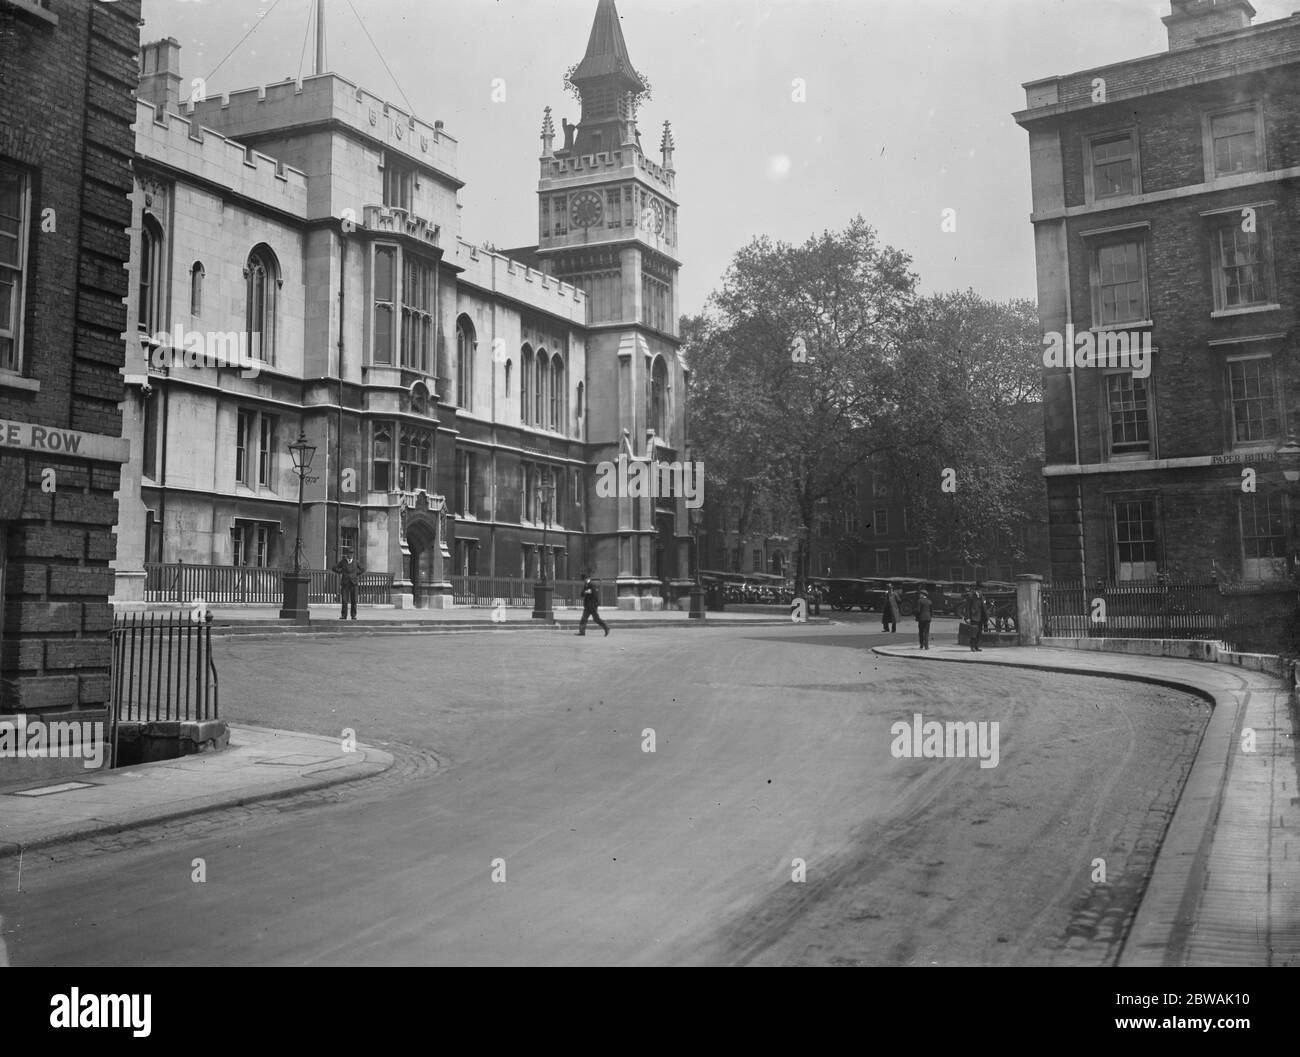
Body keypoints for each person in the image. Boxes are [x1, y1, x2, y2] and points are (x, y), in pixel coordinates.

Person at [333, 554, 365, 620]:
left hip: (354, 583)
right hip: (345, 583)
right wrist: (341, 571)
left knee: (354, 600)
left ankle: (353, 615)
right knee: (344, 600)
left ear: (353, 555)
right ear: (346, 555)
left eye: (351, 554)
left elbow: (363, 569)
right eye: (348, 554)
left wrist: (356, 574)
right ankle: (343, 615)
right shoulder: (343, 561)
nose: (350, 556)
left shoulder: (356, 562)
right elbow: (334, 568)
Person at [964, 583, 988, 652]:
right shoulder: (971, 595)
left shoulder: (982, 596)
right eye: (981, 589)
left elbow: (984, 607)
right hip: (974, 617)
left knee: (979, 633)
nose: (982, 591)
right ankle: (972, 646)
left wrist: (987, 618)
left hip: (980, 617)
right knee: (973, 632)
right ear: (978, 589)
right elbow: (968, 607)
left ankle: (976, 646)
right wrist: (967, 617)